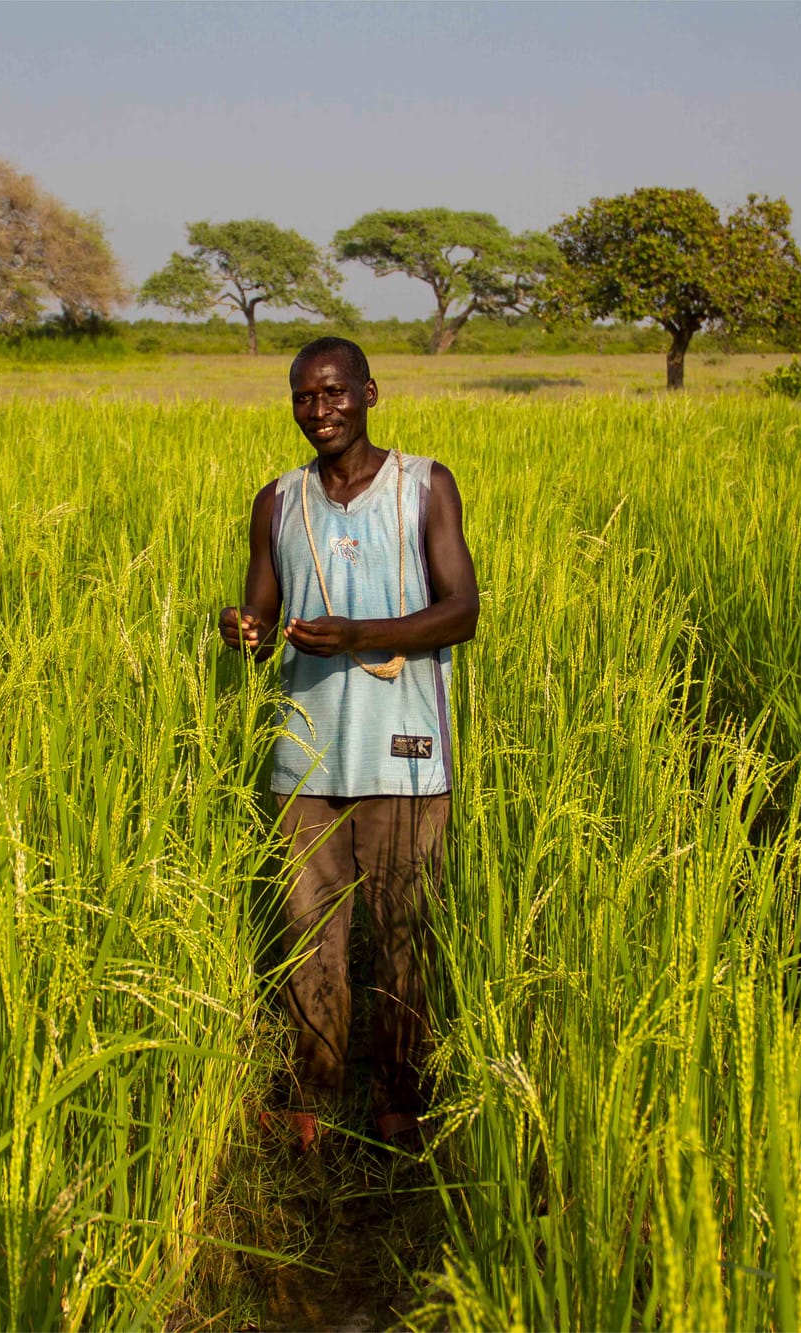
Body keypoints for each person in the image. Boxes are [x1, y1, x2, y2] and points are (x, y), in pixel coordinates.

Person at [219, 336, 479, 1153]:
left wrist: (359, 633)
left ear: (370, 393)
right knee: (307, 931)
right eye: (303, 396)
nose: (319, 410)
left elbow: (462, 610)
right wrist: (243, 629)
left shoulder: (423, 485)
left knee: (404, 932)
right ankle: (312, 1091)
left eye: (334, 393)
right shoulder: (278, 500)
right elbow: (260, 610)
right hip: (307, 755)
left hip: (406, 753)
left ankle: (399, 1096)